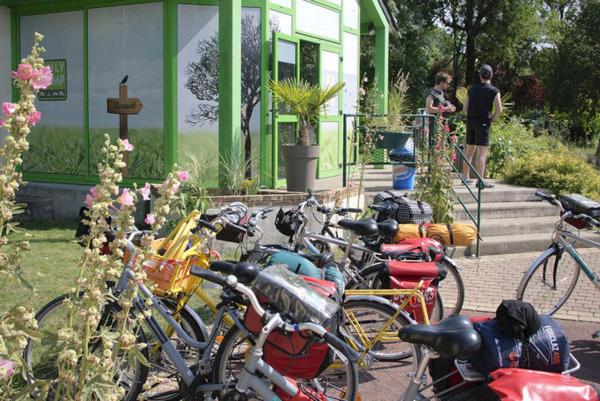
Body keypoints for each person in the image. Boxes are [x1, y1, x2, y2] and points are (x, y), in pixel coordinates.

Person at [462, 64, 503, 188]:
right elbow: (499, 110)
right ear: (491, 75)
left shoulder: (472, 90)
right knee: (481, 153)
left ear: (480, 76)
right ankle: (480, 181)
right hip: (483, 122)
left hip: (471, 122)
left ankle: (465, 178)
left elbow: (465, 109)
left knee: (469, 151)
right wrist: (492, 119)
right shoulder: (494, 91)